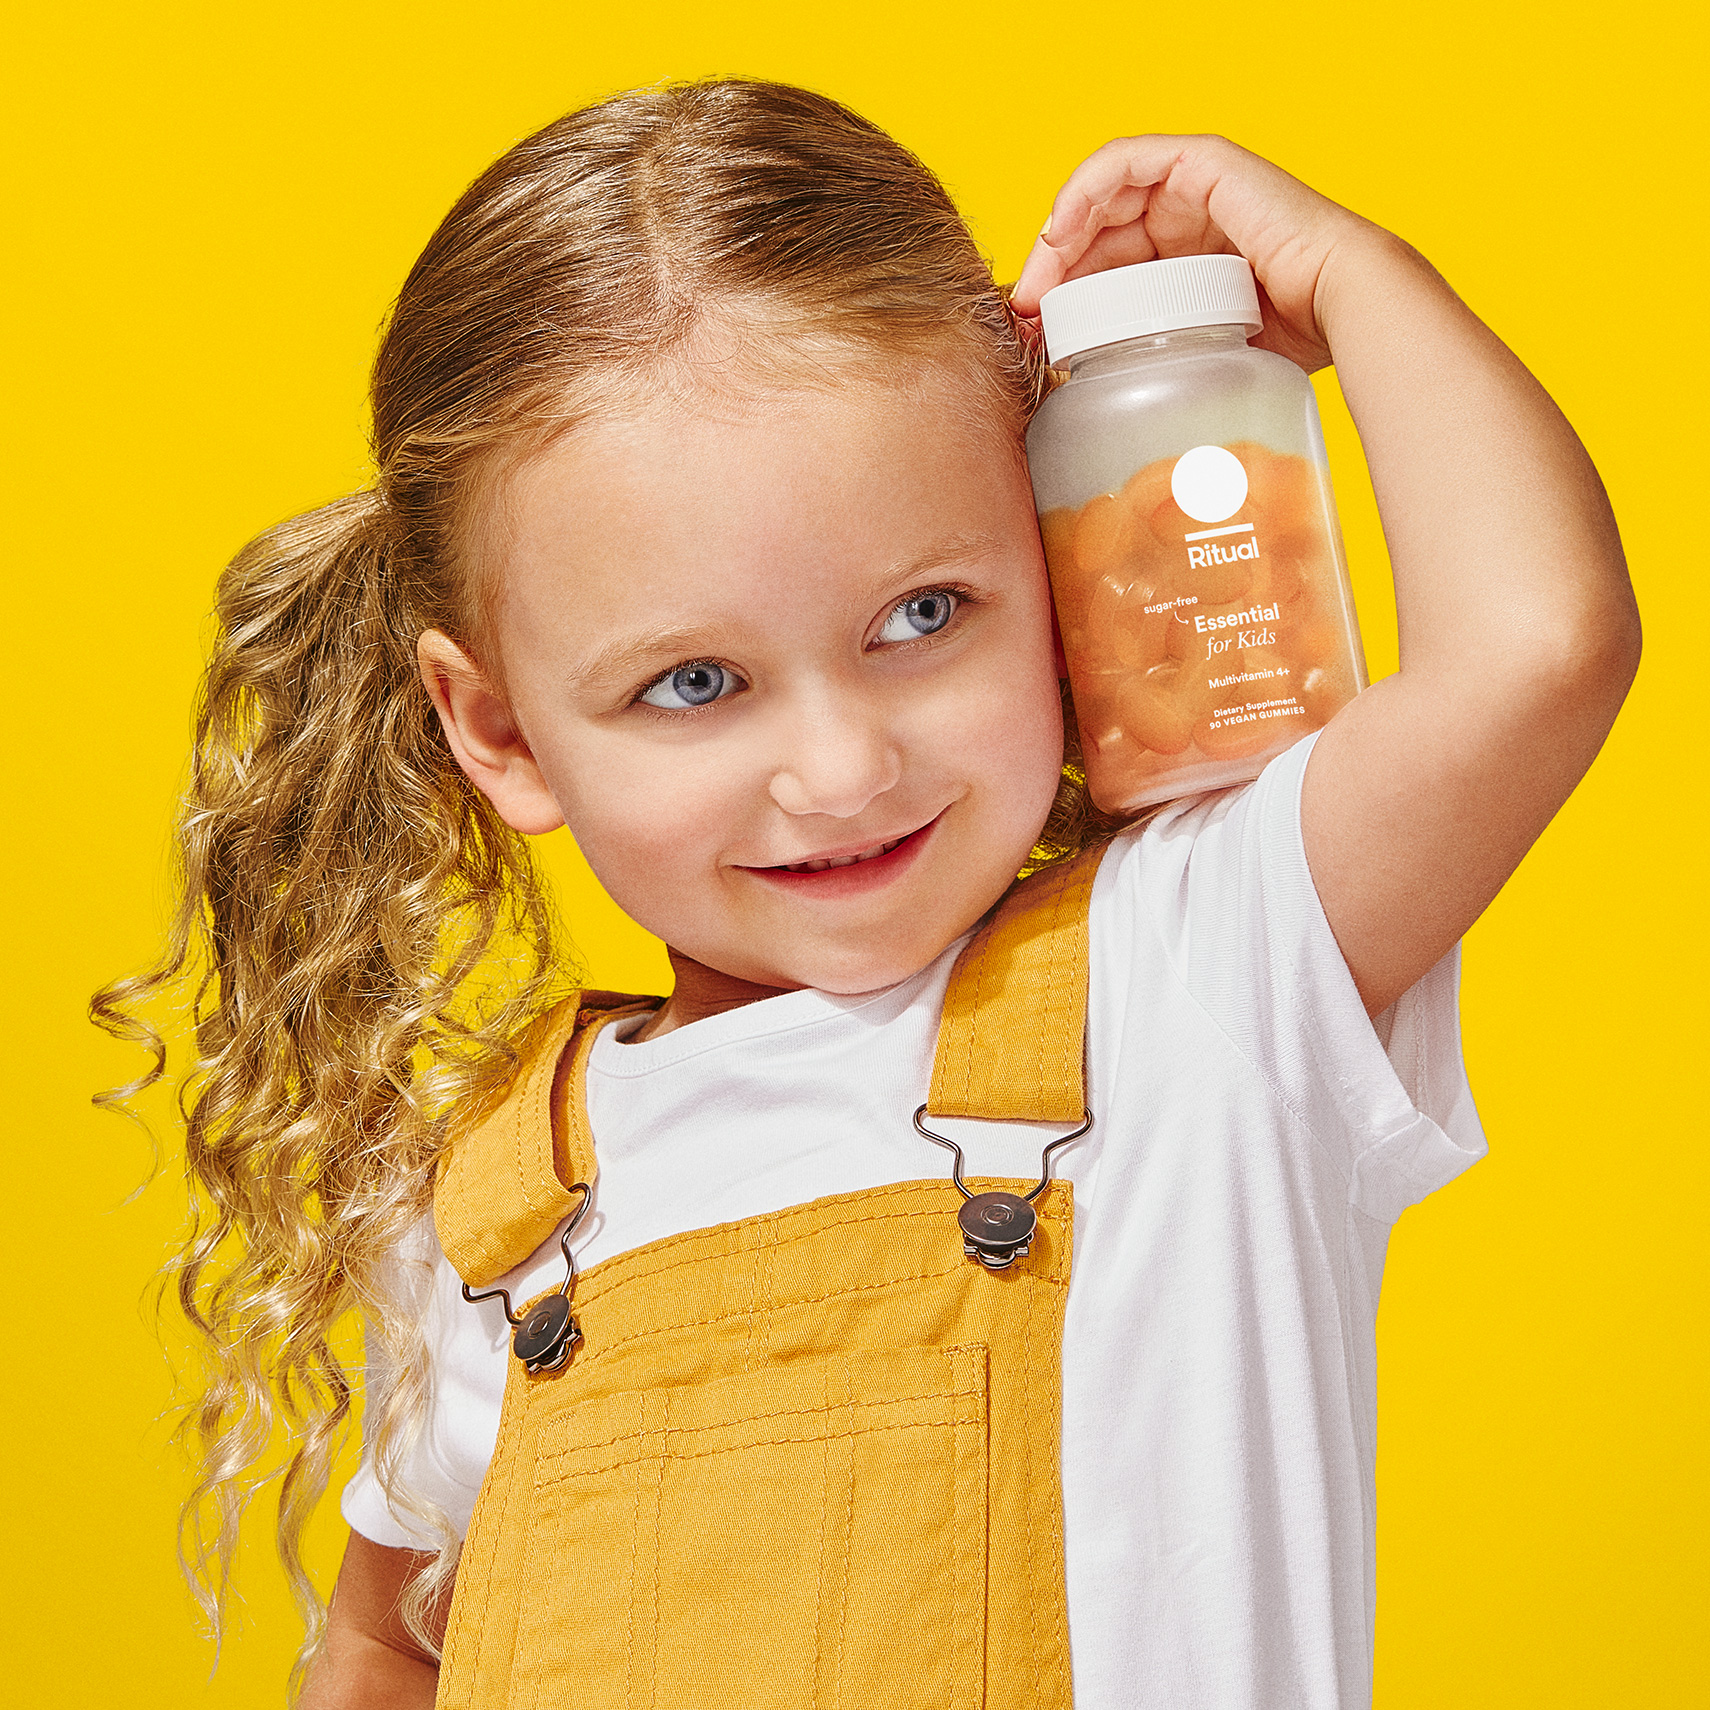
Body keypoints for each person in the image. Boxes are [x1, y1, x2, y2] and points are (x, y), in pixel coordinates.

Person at [98, 79, 1637, 1709]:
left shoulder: (1199, 973)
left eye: (921, 614)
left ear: (1048, 557)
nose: (838, 768)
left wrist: (1339, 273)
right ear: (500, 731)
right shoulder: (503, 1214)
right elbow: (377, 1648)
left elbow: (1539, 649)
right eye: (694, 681)